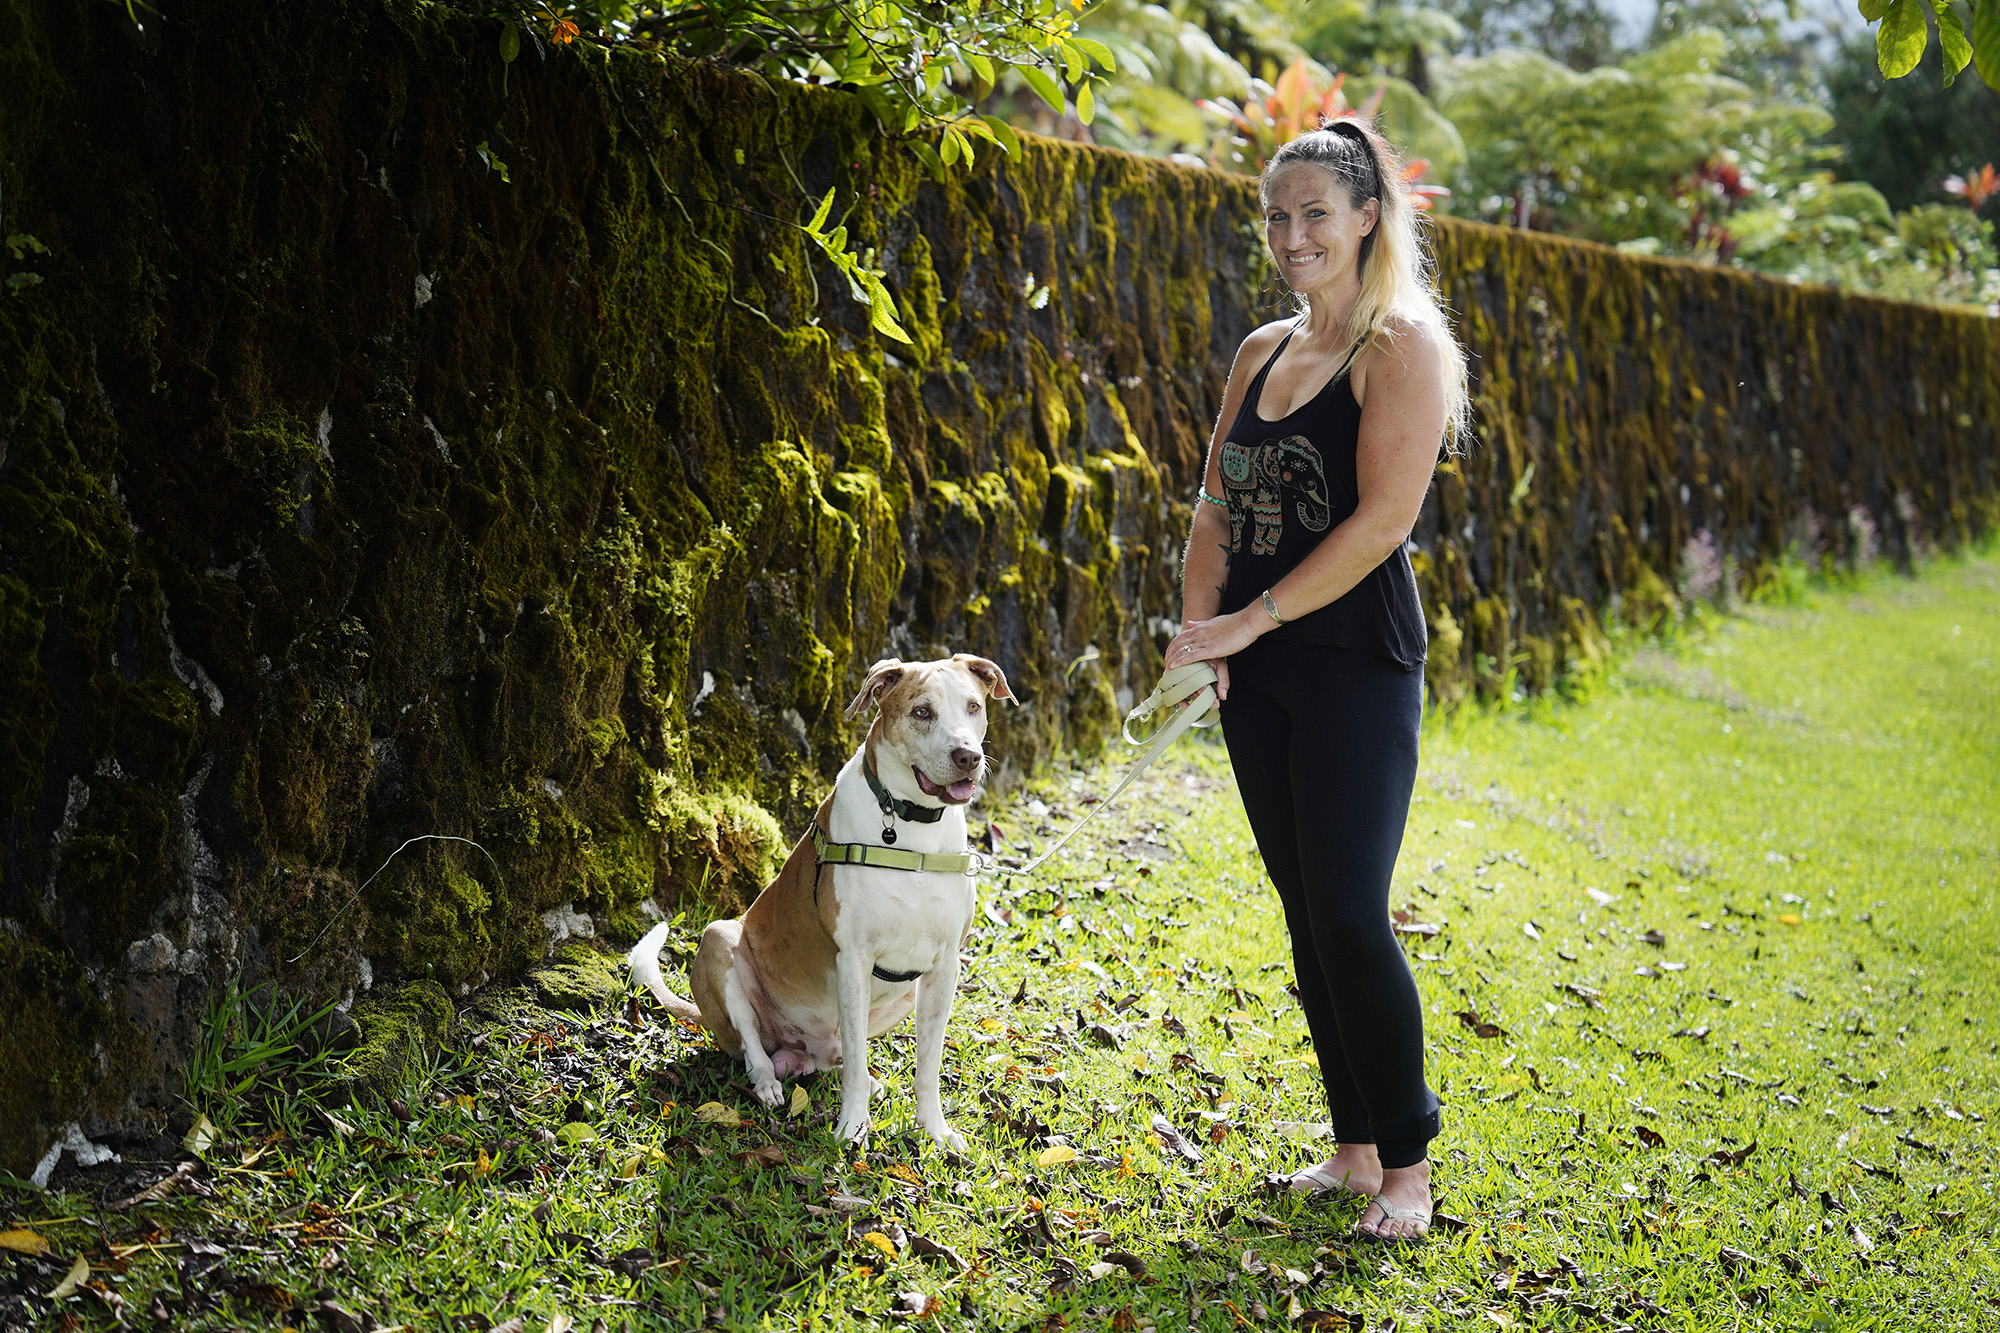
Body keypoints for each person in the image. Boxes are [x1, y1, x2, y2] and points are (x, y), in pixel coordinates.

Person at [1163, 118, 1469, 1242]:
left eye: (1313, 215)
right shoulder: (1258, 350)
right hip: (1258, 661)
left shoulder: (1402, 346)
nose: (1292, 236)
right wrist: (1203, 633)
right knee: (1304, 915)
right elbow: (1214, 504)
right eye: (1275, 216)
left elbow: (1385, 521)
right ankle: (1349, 1148)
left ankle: (1407, 1163)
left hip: (1353, 661)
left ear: (1366, 217)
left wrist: (1252, 616)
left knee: (1348, 913)